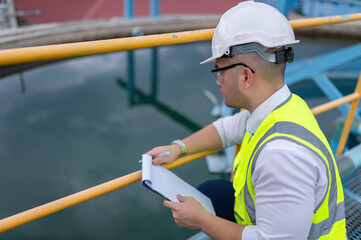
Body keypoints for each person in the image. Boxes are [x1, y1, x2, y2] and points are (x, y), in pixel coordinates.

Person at [147, 1, 346, 239]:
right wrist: (179, 147)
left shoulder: (282, 157)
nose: (218, 80)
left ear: (245, 76)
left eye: (219, 71)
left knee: (208, 202)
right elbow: (229, 128)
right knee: (210, 191)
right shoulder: (281, 107)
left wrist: (202, 219)